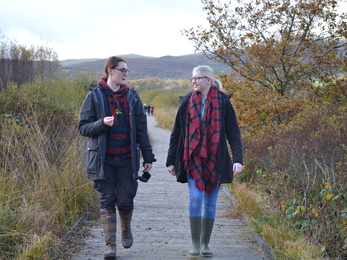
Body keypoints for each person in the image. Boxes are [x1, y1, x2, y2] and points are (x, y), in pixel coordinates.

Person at [78, 56, 156, 259]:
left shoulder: (132, 97)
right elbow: (83, 128)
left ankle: (126, 229)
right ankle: (110, 246)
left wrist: (148, 157)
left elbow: (141, 129)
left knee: (125, 201)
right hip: (102, 160)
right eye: (122, 70)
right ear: (110, 70)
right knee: (107, 200)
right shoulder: (94, 96)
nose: (125, 74)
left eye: (127, 71)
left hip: (126, 160)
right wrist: (101, 123)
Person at [166, 65, 243, 257]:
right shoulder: (185, 102)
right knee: (196, 197)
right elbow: (177, 133)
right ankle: (194, 244)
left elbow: (233, 133)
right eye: (192, 78)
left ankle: (205, 244)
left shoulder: (224, 103)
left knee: (210, 202)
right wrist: (171, 161)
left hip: (216, 159)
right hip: (191, 158)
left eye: (197, 78)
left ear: (209, 80)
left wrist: (238, 159)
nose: (194, 81)